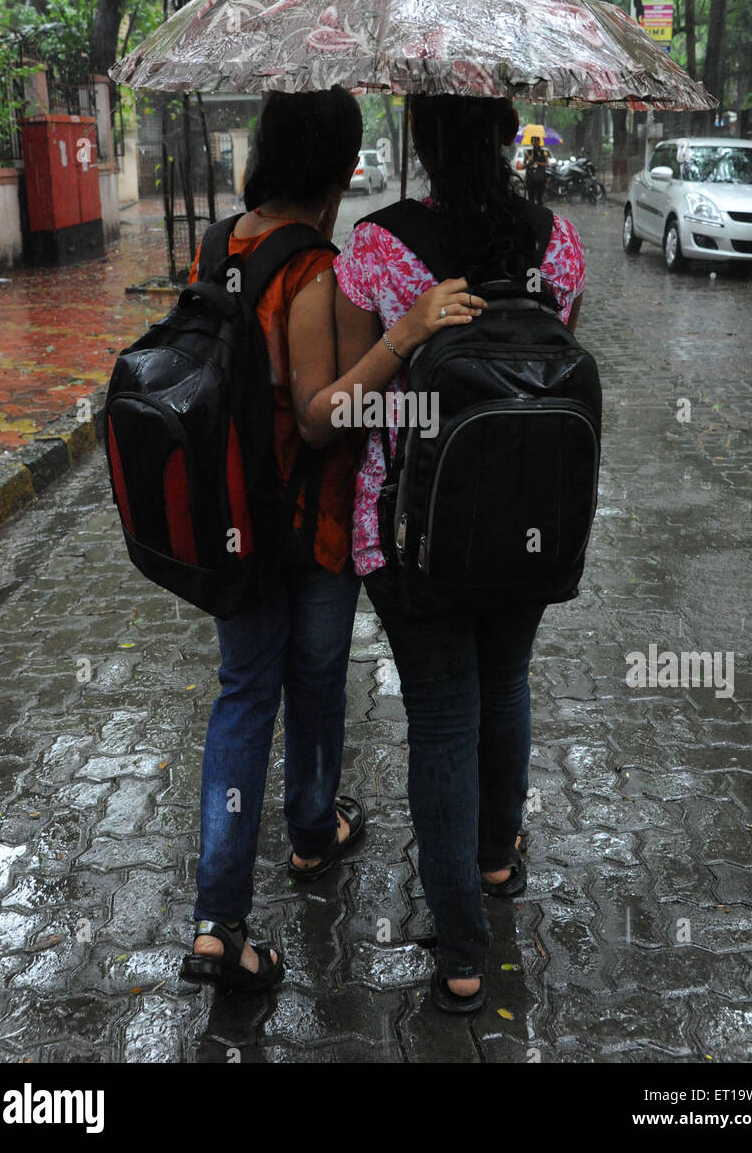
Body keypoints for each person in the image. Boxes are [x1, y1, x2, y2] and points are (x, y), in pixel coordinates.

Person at [180, 88, 482, 992]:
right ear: (340, 167)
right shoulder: (314, 269)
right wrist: (407, 332)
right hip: (306, 526)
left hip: (231, 520)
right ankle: (312, 831)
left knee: (242, 695)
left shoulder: (220, 241)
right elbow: (323, 416)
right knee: (312, 681)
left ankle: (217, 921)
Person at [333, 94, 585, 1012]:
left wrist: (411, 350)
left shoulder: (377, 247)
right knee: (506, 683)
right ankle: (496, 864)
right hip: (528, 519)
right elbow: (551, 373)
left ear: (421, 142)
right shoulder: (555, 243)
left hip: (415, 533)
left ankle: (465, 959)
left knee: (444, 720)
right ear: (501, 134)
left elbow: (356, 411)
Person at [524, 134, 550, 207]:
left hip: (540, 178)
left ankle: (540, 214)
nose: (536, 143)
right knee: (531, 199)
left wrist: (538, 163)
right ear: (531, 142)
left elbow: (547, 164)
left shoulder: (543, 152)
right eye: (534, 141)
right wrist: (529, 162)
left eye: (537, 141)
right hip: (530, 178)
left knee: (539, 198)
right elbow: (523, 166)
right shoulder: (528, 152)